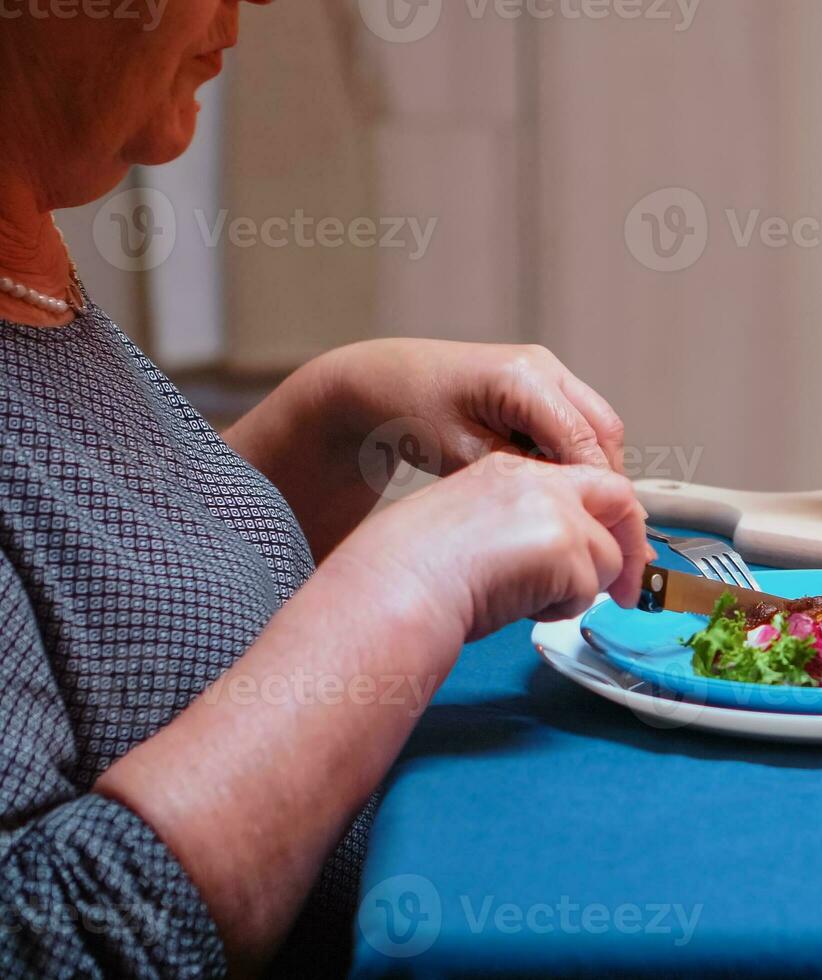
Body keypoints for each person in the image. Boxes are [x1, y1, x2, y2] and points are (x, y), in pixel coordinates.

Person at [0, 1, 652, 974]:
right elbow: (49, 940)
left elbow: (102, 624)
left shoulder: (30, 262)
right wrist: (405, 589)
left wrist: (335, 416)